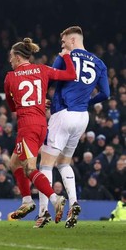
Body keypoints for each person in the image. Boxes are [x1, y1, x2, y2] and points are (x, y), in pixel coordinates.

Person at [37, 26, 109, 228]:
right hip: (82, 116)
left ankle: (43, 213)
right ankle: (74, 203)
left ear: (73, 40)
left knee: (45, 163)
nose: (62, 45)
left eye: (64, 41)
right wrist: (88, 102)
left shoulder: (65, 56)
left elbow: (50, 78)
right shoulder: (100, 63)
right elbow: (105, 93)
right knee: (64, 163)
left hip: (63, 113)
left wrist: (43, 99)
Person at [4, 38, 76, 227]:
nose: (10, 61)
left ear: (18, 57)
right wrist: (66, 56)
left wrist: (28, 103)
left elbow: (12, 106)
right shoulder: (43, 69)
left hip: (27, 126)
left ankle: (55, 199)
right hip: (41, 124)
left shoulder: (10, 77)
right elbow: (70, 74)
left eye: (11, 57)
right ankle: (27, 201)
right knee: (14, 163)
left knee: (29, 168)